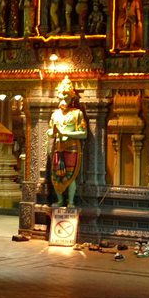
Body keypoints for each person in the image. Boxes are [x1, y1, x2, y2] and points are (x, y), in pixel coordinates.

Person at [47, 76, 87, 208]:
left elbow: (83, 133)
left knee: (70, 175)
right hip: (58, 147)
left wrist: (65, 133)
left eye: (66, 97)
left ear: (71, 98)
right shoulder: (55, 114)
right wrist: (52, 132)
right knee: (56, 175)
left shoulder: (77, 113)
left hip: (72, 148)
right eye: (61, 97)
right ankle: (59, 201)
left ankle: (70, 202)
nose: (63, 100)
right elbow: (50, 131)